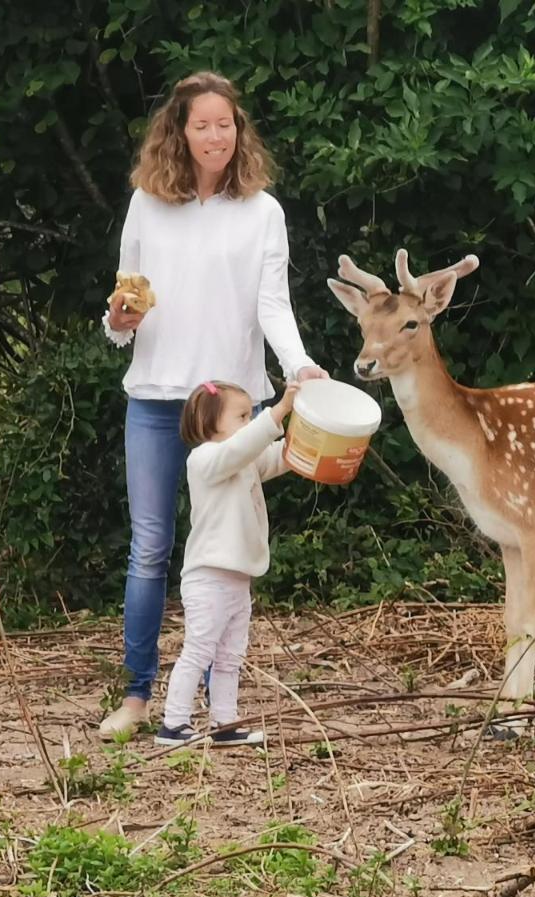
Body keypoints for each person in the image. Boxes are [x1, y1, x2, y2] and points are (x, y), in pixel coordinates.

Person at [99, 71, 327, 739]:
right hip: (156, 400)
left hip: (232, 409)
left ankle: (205, 705)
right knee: (149, 549)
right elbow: (125, 303)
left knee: (224, 553)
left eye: (225, 124)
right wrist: (118, 320)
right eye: (202, 125)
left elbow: (272, 306)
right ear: (179, 130)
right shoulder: (147, 202)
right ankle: (138, 697)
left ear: (239, 129)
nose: (215, 136)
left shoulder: (264, 211)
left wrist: (299, 367)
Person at [155, 379, 298, 747]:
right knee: (200, 649)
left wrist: (312, 435)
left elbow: (281, 455)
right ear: (210, 421)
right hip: (208, 578)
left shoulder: (242, 458)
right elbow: (245, 447)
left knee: (230, 655)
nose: (250, 422)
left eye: (252, 414)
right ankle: (174, 722)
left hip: (238, 579)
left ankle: (225, 721)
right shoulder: (205, 459)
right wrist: (277, 412)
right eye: (242, 415)